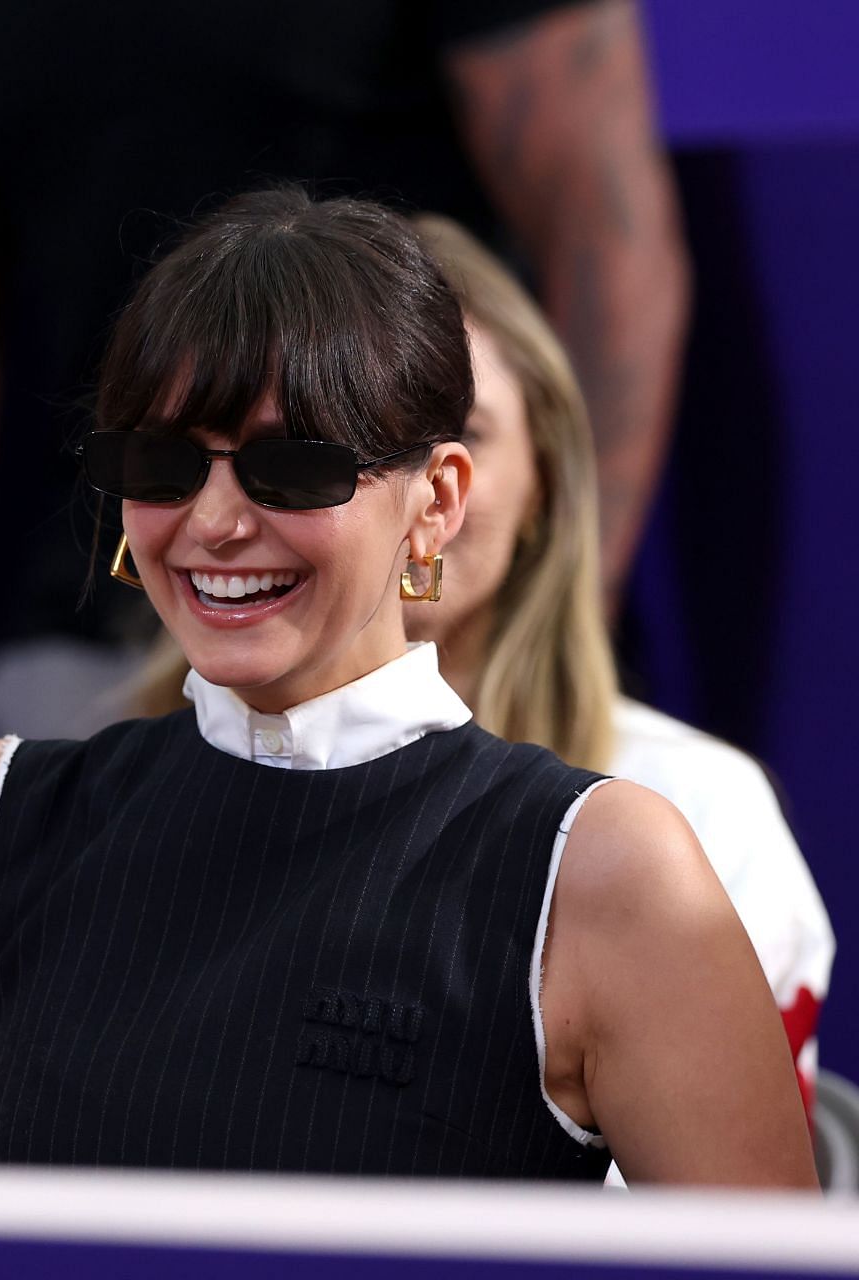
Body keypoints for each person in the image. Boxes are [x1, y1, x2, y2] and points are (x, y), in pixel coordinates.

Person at [0, 190, 814, 1187]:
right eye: (163, 463)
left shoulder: (608, 873)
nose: (215, 522)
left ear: (437, 500)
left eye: (292, 469)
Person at [130, 213, 836, 1113]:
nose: (402, 474)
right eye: (318, 440)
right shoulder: (94, 804)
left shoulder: (691, 812)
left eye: (453, 429)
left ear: (534, 479)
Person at [0, 0, 689, 735]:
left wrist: (542, 625)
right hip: (88, 637)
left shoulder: (646, 833)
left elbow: (608, 255)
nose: (222, 512)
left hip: (430, 640)